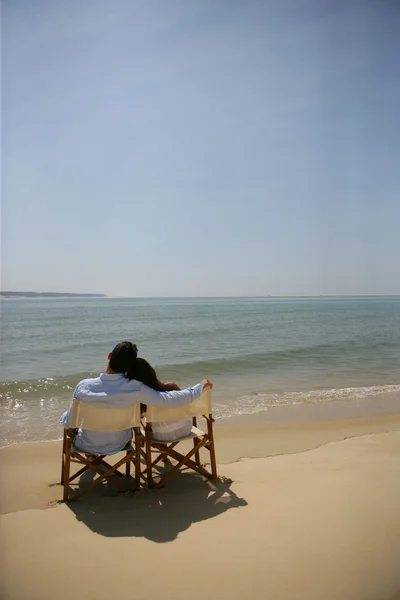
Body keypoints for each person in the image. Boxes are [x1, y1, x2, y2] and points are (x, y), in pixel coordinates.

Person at [60, 341, 212, 455]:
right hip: (119, 444)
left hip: (86, 445)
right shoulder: (135, 388)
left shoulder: (83, 386)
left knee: (71, 425)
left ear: (109, 356)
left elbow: (69, 422)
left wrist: (66, 421)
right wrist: (198, 387)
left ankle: (92, 462)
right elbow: (168, 399)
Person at [126, 357, 193, 441]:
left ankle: (140, 441)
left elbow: (136, 419)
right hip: (184, 429)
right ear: (151, 373)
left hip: (159, 436)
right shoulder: (172, 387)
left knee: (138, 422)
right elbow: (186, 407)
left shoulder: (140, 399)